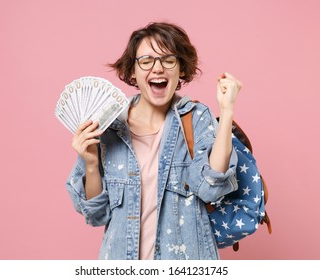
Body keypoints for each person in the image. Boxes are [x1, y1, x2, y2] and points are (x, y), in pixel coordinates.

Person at [66, 22, 242, 260]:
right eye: (146, 61)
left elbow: (212, 187)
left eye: (168, 60)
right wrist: (90, 164)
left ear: (180, 69)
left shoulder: (196, 117)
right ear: (132, 72)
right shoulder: (107, 125)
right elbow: (97, 215)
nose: (158, 68)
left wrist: (227, 109)